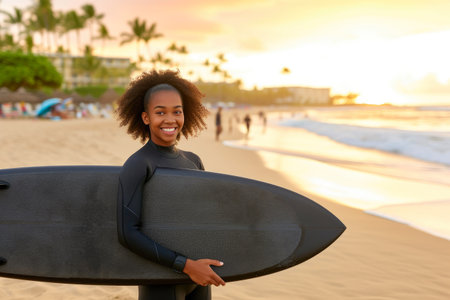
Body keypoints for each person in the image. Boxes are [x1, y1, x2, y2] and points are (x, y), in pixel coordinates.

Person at [115, 70, 225, 300]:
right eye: (160, 112)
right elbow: (128, 233)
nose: (170, 119)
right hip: (160, 280)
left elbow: (203, 221)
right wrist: (185, 265)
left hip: (198, 275)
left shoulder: (193, 161)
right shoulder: (139, 164)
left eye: (177, 111)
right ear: (146, 118)